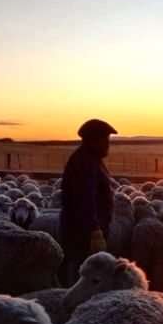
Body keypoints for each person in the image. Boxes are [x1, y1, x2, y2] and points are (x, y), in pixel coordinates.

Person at [58, 119, 117, 285]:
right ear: (92, 140)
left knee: (89, 277)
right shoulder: (83, 162)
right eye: (105, 140)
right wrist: (94, 232)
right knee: (82, 277)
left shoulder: (91, 160)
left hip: (85, 233)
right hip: (81, 236)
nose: (108, 144)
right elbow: (84, 199)